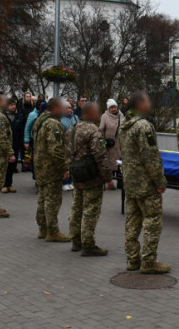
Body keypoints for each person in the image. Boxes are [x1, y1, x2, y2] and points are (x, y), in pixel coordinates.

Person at [120, 92, 169, 274]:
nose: (150, 104)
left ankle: (133, 259)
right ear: (140, 105)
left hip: (130, 183)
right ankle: (149, 262)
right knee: (152, 220)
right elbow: (151, 157)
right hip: (146, 184)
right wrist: (160, 181)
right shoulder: (144, 126)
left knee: (132, 221)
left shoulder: (124, 126)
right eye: (147, 101)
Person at [67, 101, 112, 256]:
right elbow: (100, 156)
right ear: (91, 113)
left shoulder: (72, 129)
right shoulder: (94, 131)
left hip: (77, 174)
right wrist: (107, 177)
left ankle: (76, 240)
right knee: (90, 209)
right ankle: (88, 244)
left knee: (77, 207)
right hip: (92, 177)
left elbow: (67, 152)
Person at [33, 97, 71, 242]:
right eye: (62, 109)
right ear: (55, 108)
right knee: (52, 200)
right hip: (51, 167)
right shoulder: (53, 124)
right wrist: (64, 168)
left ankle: (43, 229)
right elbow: (56, 150)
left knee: (42, 199)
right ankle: (52, 231)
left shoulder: (40, 120)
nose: (63, 112)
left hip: (40, 166)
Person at [99, 98, 124, 190]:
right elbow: (101, 129)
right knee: (109, 164)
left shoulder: (121, 115)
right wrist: (103, 141)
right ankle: (109, 183)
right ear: (108, 109)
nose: (114, 109)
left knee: (120, 164)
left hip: (120, 143)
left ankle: (120, 183)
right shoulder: (104, 116)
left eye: (115, 107)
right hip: (110, 144)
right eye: (111, 107)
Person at [2, 99, 22, 193]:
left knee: (12, 165)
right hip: (5, 143)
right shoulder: (3, 116)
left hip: (15, 143)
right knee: (5, 165)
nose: (13, 107)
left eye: (14, 105)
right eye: (11, 105)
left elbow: (21, 129)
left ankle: (9, 184)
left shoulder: (18, 116)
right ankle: (4, 184)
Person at [60, 104, 78, 192]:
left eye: (70, 108)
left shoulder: (75, 117)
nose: (69, 110)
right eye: (67, 108)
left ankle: (71, 181)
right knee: (66, 163)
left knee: (73, 162)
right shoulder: (60, 119)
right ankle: (65, 182)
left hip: (75, 143)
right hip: (65, 143)